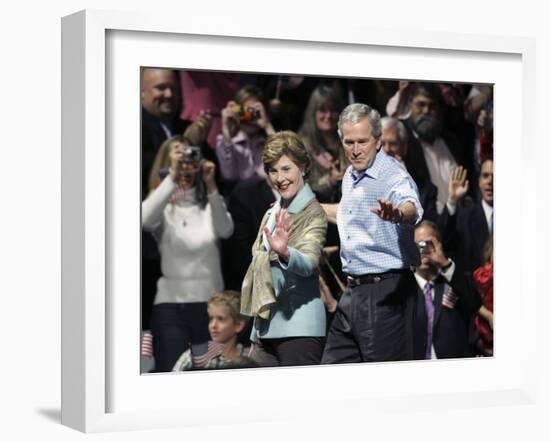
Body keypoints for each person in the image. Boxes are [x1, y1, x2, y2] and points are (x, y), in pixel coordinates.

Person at [320, 103, 423, 364]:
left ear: (377, 141)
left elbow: (412, 205)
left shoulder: (392, 174)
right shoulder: (351, 175)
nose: (355, 150)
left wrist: (399, 214)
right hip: (353, 291)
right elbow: (347, 212)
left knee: (384, 385)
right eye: (349, 142)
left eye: (362, 142)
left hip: (387, 293)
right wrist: (305, 207)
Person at [142, 135, 234, 372]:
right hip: (171, 307)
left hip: (211, 307)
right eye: (178, 153)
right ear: (167, 161)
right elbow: (143, 220)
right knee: (172, 378)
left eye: (190, 153)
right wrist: (172, 177)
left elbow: (226, 230)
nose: (185, 160)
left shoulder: (208, 204)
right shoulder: (162, 206)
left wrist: (212, 185)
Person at [240, 131, 328, 366]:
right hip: (265, 329)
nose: (279, 177)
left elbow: (309, 261)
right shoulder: (272, 211)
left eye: (286, 169)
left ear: (303, 168)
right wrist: (255, 335)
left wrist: (286, 252)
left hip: (299, 327)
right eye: (273, 170)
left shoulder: (313, 212)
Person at [412, 221, 481, 360]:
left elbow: (474, 303)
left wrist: (445, 264)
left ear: (439, 245)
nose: (424, 251)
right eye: (418, 245)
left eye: (429, 244)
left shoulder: (453, 279)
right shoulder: (404, 287)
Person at [402, 83, 473, 214]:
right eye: (421, 104)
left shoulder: (452, 141)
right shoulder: (404, 142)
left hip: (459, 221)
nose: (426, 111)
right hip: (425, 224)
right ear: (410, 104)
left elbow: (468, 180)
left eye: (432, 106)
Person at [438, 157, 493, 273]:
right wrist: (452, 200)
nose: (490, 181)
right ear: (479, 181)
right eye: (485, 175)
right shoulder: (465, 218)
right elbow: (445, 242)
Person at [172, 291, 249, 371]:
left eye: (220, 319)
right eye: (211, 318)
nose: (213, 325)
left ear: (238, 325)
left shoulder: (252, 357)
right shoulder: (192, 357)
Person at [380, 116, 438, 222]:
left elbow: (428, 228)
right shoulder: (359, 181)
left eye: (393, 144)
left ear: (404, 148)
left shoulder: (425, 189)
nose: (387, 149)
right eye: (381, 144)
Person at [215, 85, 275, 186]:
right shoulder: (226, 142)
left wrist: (267, 126)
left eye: (254, 112)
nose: (249, 117)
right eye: (245, 111)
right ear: (236, 111)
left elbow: (284, 159)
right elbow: (229, 175)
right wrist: (226, 128)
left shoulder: (269, 143)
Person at [298, 85, 347, 203]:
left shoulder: (348, 141)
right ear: (313, 113)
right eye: (322, 110)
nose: (328, 115)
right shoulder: (302, 145)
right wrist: (330, 180)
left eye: (333, 110)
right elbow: (301, 186)